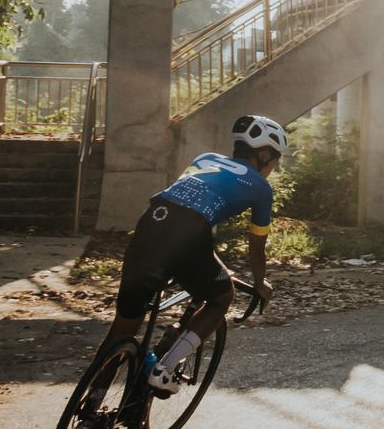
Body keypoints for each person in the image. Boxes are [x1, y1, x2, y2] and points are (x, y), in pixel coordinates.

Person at [96, 112, 285, 396]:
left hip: (151, 223)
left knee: (124, 325)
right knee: (222, 296)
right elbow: (256, 246)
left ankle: (91, 404)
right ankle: (165, 369)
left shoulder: (205, 158)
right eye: (275, 161)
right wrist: (260, 283)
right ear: (265, 156)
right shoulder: (260, 186)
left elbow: (184, 206)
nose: (273, 168)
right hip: (190, 236)